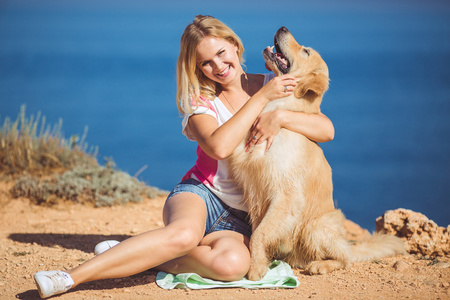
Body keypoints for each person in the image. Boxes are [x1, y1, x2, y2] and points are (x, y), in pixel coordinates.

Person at [33, 15, 334, 298]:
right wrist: (263, 100)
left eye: (221, 52)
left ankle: (147, 255)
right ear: (198, 68)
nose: (218, 66)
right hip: (202, 194)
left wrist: (279, 116)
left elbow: (326, 128)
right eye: (206, 62)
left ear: (235, 45)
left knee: (231, 266)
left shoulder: (272, 84)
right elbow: (219, 147)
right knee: (185, 236)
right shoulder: (201, 102)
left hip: (244, 217)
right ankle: (69, 278)